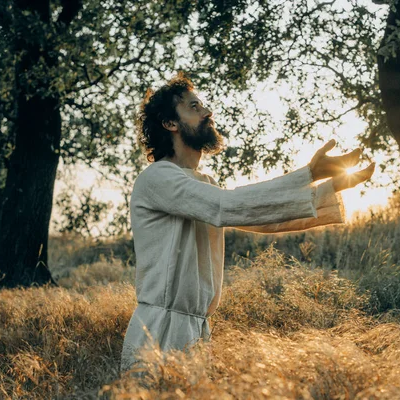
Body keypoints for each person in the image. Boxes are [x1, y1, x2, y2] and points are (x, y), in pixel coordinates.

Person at [120, 74, 375, 371]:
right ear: (170, 123)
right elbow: (225, 206)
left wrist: (328, 188)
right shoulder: (157, 177)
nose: (207, 112)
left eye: (203, 105)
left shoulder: (205, 182)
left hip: (195, 331)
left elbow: (260, 219)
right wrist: (308, 174)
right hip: (159, 332)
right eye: (194, 107)